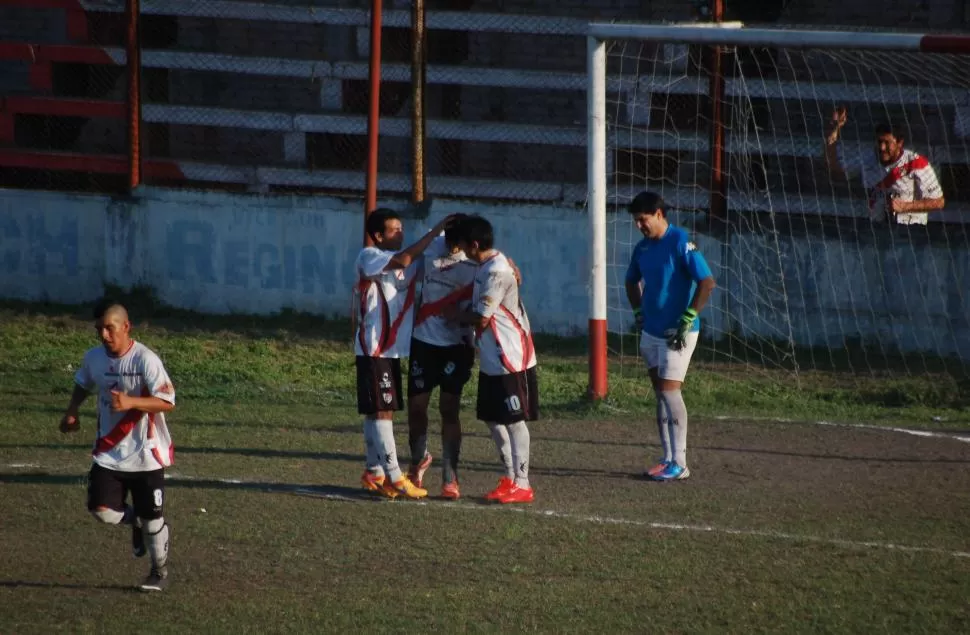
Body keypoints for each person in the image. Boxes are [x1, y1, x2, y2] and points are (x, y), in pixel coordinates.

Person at [59, 302, 177, 592]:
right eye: (99, 328)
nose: (103, 334)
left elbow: (168, 401)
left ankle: (158, 571)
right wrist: (72, 409)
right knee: (102, 511)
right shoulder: (94, 358)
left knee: (154, 524)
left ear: (126, 327)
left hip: (146, 454)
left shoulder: (146, 360)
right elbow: (83, 382)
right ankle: (134, 519)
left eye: (109, 328)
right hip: (110, 454)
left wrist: (131, 402)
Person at [355, 207, 456, 500]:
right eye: (393, 230)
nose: (400, 233)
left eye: (402, 228)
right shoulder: (369, 256)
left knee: (378, 407)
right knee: (383, 409)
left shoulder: (409, 263)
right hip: (374, 347)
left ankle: (373, 471)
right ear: (377, 236)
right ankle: (396, 477)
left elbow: (436, 266)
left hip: (393, 349)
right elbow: (403, 258)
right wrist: (435, 230)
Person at [624, 192, 716, 482]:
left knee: (669, 391)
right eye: (636, 221)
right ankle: (667, 458)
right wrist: (639, 311)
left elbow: (707, 281)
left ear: (660, 214)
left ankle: (680, 462)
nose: (639, 225)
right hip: (651, 330)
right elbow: (630, 280)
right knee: (661, 395)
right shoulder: (642, 248)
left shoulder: (681, 241)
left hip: (678, 332)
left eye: (643, 219)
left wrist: (688, 318)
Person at [453, 215, 538, 504]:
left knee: (514, 420)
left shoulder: (496, 272)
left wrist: (453, 315)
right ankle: (511, 477)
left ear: (474, 244)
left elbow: (481, 316)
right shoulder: (488, 265)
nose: (460, 251)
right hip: (492, 357)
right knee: (492, 418)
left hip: (510, 357)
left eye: (463, 246)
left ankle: (523, 483)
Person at [405, 215, 478, 500]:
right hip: (423, 340)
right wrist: (435, 230)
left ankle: (450, 474)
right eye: (446, 241)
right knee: (416, 407)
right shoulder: (432, 246)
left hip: (456, 345)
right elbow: (407, 257)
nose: (449, 247)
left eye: (455, 243)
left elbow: (498, 269)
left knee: (449, 408)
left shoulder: (475, 262)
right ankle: (418, 460)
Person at [824, 106, 945, 226]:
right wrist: (833, 130)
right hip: (876, 229)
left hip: (910, 231)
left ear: (899, 143)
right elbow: (835, 169)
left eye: (887, 143)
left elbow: (939, 202)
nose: (882, 148)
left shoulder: (916, 163)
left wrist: (905, 206)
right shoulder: (867, 158)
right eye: (879, 142)